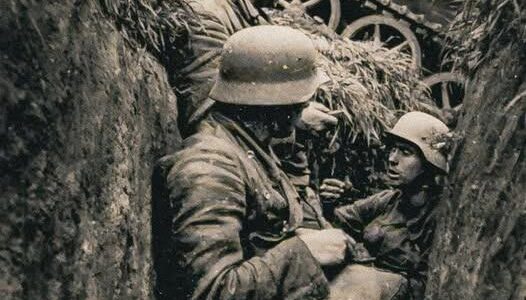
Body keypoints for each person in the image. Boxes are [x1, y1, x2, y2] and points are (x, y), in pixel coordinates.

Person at [153, 25, 353, 300]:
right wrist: (303, 251)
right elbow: (213, 291)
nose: (306, 104)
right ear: (276, 103)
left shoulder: (247, 146)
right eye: (302, 96)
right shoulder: (210, 167)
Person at [320, 111, 451, 300]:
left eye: (406, 152)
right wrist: (328, 203)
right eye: (393, 149)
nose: (392, 159)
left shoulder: (438, 215)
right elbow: (341, 219)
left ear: (429, 164)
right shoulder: (389, 200)